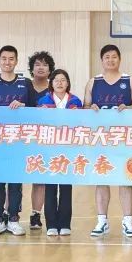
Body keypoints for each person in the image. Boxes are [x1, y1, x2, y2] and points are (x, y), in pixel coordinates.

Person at [85, 44, 132, 237]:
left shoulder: (129, 80)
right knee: (102, 179)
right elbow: (85, 107)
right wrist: (90, 108)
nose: (110, 60)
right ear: (102, 60)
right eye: (107, 57)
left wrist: (129, 108)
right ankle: (102, 221)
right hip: (100, 139)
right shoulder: (93, 82)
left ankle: (128, 221)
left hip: (124, 138)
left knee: (125, 179)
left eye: (114, 56)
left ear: (119, 59)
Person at [0, 45, 31, 236]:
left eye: (11, 59)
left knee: (15, 181)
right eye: (4, 58)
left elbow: (35, 109)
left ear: (16, 61)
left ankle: (13, 219)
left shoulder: (25, 83)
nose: (7, 62)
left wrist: (23, 105)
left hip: (18, 140)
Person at [37, 69, 83, 236]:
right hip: (49, 150)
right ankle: (51, 225)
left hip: (68, 151)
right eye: (56, 80)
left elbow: (81, 124)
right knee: (50, 188)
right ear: (51, 83)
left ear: (68, 83)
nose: (60, 83)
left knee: (66, 188)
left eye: (63, 80)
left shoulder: (75, 101)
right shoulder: (43, 101)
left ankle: (64, 224)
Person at [26, 50, 55, 230]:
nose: (41, 67)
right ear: (32, 68)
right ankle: (8, 214)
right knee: (13, 179)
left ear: (50, 69)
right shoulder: (23, 86)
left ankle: (36, 214)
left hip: (45, 140)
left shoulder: (55, 89)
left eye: (45, 64)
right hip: (23, 139)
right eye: (37, 64)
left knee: (40, 179)